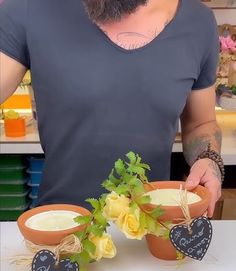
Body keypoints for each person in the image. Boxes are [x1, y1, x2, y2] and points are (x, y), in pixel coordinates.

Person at [0, 0, 223, 217]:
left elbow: (200, 123)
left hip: (151, 230)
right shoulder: (29, 8)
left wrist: (208, 158)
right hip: (61, 228)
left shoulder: (198, 22)